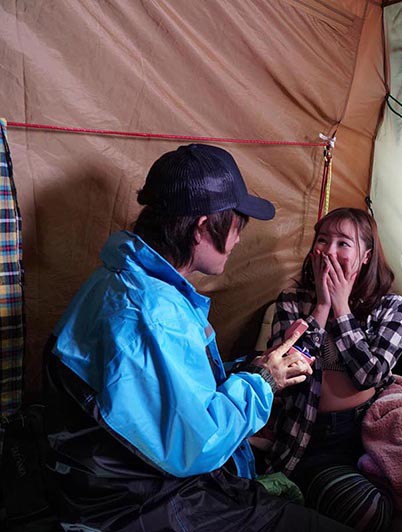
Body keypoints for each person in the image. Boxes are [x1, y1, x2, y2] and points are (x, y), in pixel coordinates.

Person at [44, 144, 352, 531]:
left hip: (128, 482)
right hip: (139, 504)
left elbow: (166, 394)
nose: (238, 240)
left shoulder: (130, 280)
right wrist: (264, 382)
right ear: (203, 227)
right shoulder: (150, 312)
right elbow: (199, 443)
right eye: (238, 225)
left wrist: (254, 367)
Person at [263, 207, 402, 532]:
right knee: (367, 511)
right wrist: (323, 308)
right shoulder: (290, 302)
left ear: (365, 256)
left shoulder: (391, 306)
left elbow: (369, 376)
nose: (329, 251)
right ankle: (374, 483)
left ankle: (392, 475)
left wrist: (341, 310)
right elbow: (288, 371)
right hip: (315, 439)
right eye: (323, 240)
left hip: (376, 427)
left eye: (343, 243)